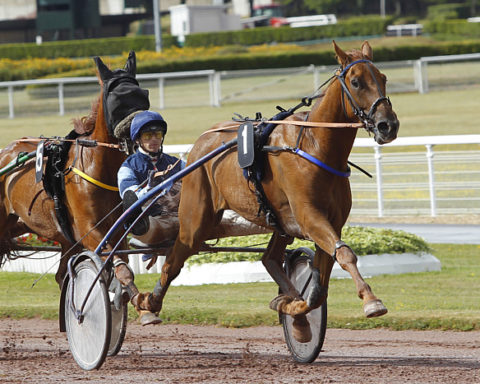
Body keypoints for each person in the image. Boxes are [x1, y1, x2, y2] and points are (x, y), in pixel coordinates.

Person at [118, 110, 185, 236]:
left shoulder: (176, 163)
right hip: (149, 223)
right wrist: (150, 188)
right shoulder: (128, 168)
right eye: (148, 136)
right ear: (137, 140)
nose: (154, 139)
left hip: (180, 217)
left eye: (158, 135)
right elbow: (131, 198)